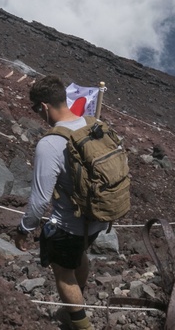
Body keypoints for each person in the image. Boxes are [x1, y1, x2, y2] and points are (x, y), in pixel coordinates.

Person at [14, 75, 107, 330]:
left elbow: (39, 201)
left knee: (63, 273)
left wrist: (23, 229)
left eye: (35, 109)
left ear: (44, 106)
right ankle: (79, 300)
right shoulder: (93, 125)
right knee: (80, 254)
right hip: (99, 218)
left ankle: (81, 325)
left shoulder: (50, 143)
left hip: (71, 225)